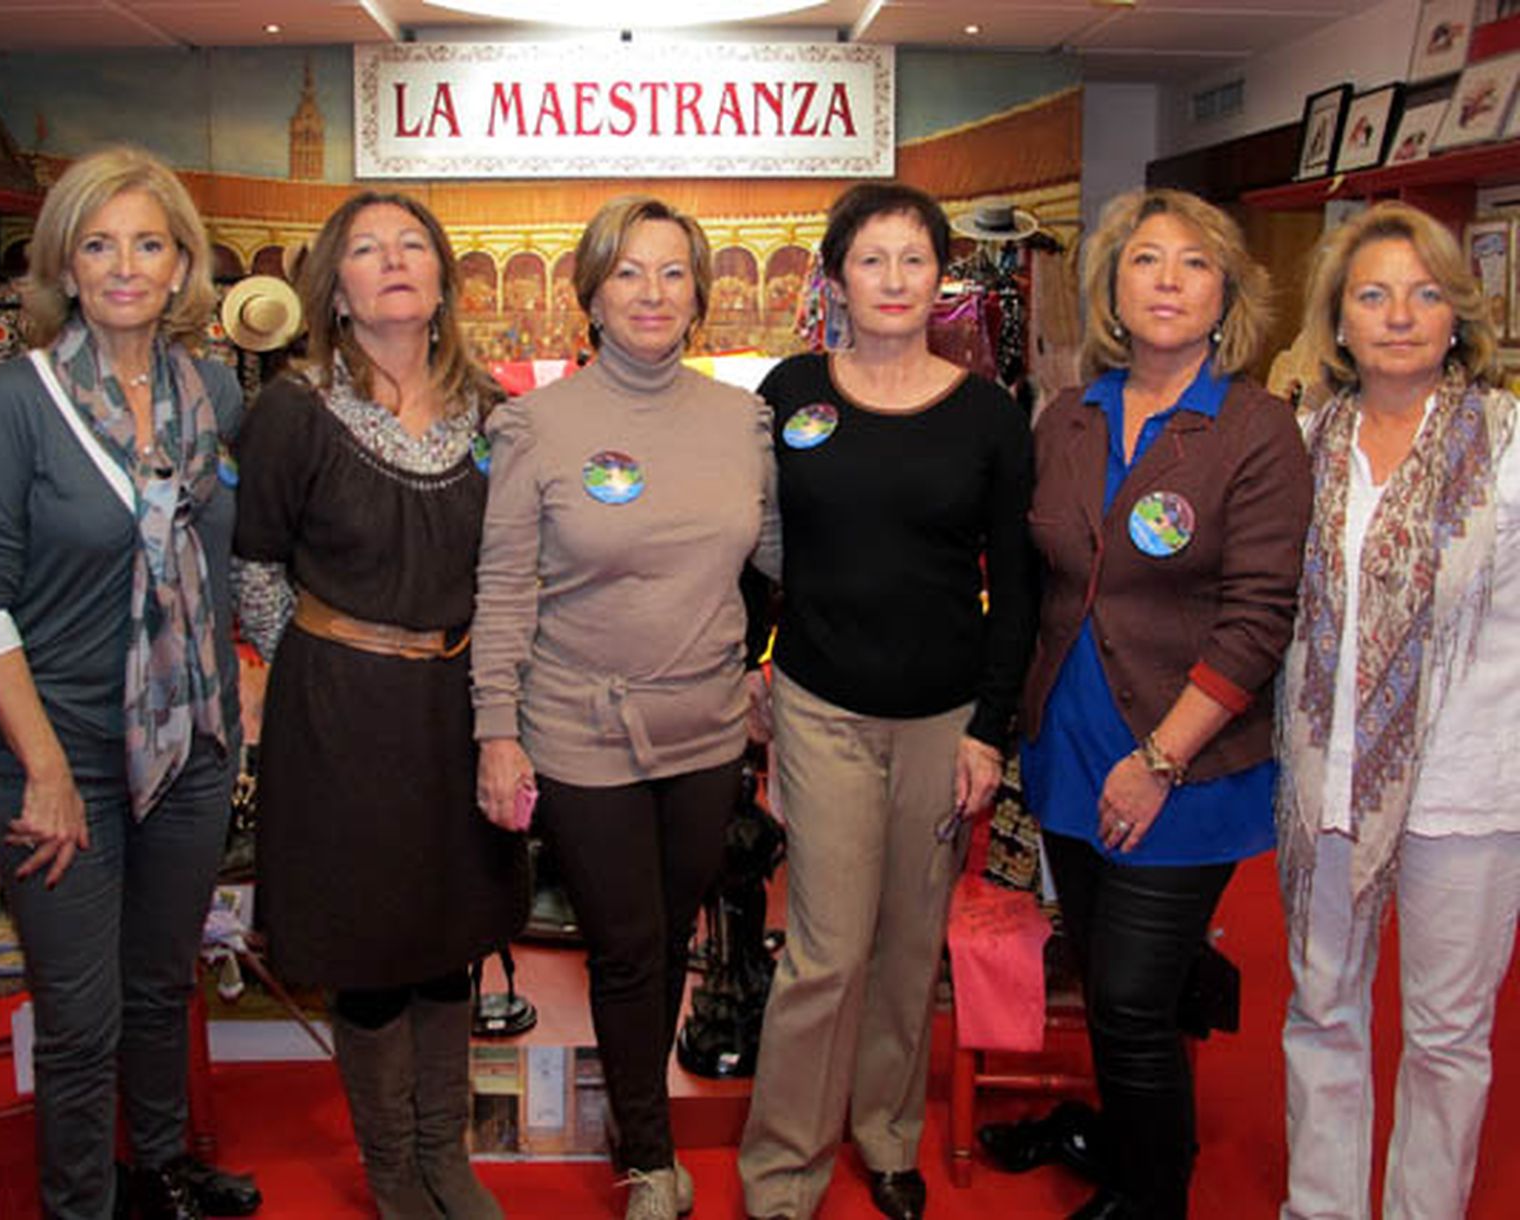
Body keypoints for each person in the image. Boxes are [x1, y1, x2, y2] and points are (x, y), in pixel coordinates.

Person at [0, 145, 258, 1220]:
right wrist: (39, 768)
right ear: (65, 267)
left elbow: (233, 555)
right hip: (57, 747)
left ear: (181, 268)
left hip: (188, 749)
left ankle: (157, 1165)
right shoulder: (15, 401)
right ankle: (81, 1202)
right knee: (81, 1014)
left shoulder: (213, 391)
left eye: (149, 243)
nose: (125, 265)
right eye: (99, 243)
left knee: (159, 983)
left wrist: (251, 671)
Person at [470, 195, 776, 1220]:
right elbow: (505, 586)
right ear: (591, 293)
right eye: (628, 272)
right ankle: (649, 1152)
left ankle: (640, 1108)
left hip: (704, 726)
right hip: (579, 724)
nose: (652, 292)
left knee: (675, 924)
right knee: (627, 940)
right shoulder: (536, 423)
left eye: (672, 272)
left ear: (699, 292)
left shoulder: (741, 418)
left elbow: (778, 560)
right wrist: (495, 731)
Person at [737, 182, 1037, 1220]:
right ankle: (782, 1167)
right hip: (820, 704)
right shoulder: (789, 391)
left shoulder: (987, 413)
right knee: (826, 948)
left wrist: (990, 730)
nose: (896, 279)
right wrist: (748, 659)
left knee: (912, 940)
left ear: (940, 275)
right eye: (873, 259)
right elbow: (746, 538)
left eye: (915, 259)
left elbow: (1019, 586)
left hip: (943, 717)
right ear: (837, 278)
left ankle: (890, 1134)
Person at [232, 191, 526, 1220]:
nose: (392, 260)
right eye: (365, 248)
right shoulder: (292, 408)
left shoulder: (491, 411)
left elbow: (508, 569)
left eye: (412, 245)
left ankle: (447, 1156)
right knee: (365, 946)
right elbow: (257, 566)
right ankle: (394, 1172)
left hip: (457, 711)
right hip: (340, 715)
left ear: (442, 277)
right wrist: (318, 670)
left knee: (445, 933)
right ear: (335, 286)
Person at [1018, 187, 1310, 1220]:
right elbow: (1037, 576)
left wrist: (1160, 760)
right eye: (1146, 259)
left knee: (1133, 995)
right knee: (1107, 978)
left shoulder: (1255, 428)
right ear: (1111, 285)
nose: (1169, 280)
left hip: (1185, 760)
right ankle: (1140, 1136)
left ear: (1225, 290)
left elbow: (1258, 616)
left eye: (1193, 262)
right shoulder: (1067, 417)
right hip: (1069, 745)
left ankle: (1150, 1195)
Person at [1278, 201, 1520, 1220]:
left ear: (1457, 313)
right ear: (1337, 320)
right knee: (1321, 1009)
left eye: (1424, 294)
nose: (1399, 316)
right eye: (1372, 295)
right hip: (1330, 778)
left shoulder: (1505, 438)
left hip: (1469, 782)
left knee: (1446, 1031)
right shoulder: (1304, 439)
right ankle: (1321, 1205)